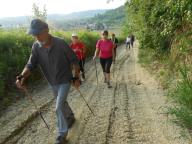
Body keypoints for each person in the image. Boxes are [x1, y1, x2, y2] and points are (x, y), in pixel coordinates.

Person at [15, 19, 80, 144]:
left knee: (58, 106)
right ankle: (70, 116)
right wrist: (22, 76)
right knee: (61, 102)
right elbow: (30, 64)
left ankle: (62, 134)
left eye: (38, 33)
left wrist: (76, 77)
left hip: (65, 79)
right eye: (34, 34)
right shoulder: (36, 46)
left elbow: (74, 60)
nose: (37, 37)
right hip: (52, 81)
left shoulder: (60, 43)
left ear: (47, 31)